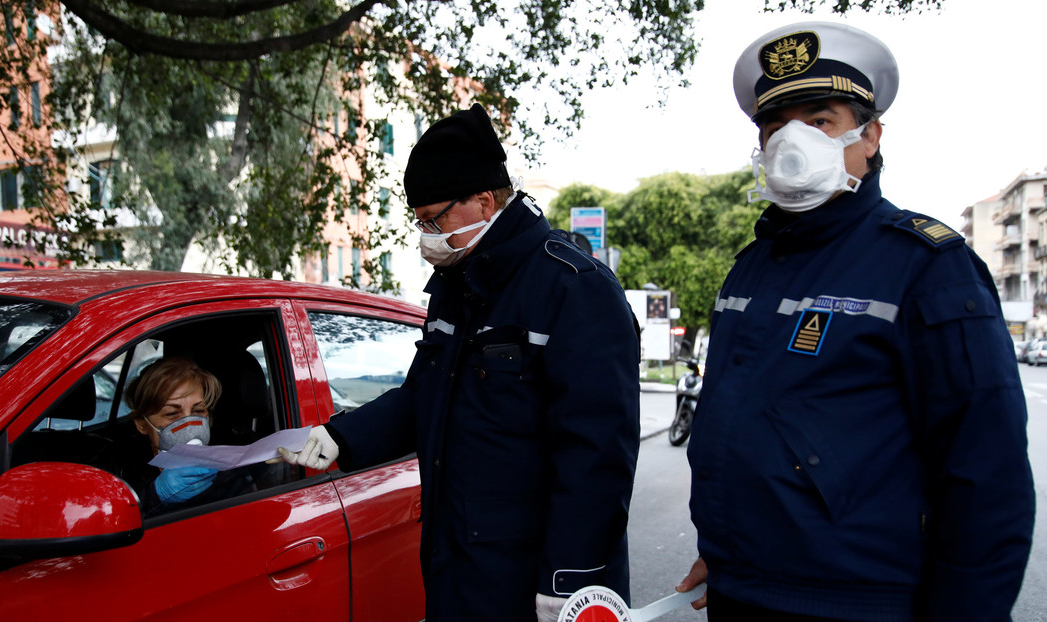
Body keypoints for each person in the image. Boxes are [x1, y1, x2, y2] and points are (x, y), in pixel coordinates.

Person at [675, 21, 1035, 622]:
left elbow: (986, 477)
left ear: (870, 136)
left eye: (819, 121)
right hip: (745, 590)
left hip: (859, 604)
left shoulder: (927, 267)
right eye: (775, 125)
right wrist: (737, 550)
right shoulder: (753, 267)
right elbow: (748, 427)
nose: (792, 142)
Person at [280, 103, 641, 621]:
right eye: (418, 220)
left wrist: (571, 582)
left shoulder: (573, 288)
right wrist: (344, 435)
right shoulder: (458, 284)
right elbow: (424, 394)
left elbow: (597, 457)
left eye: (434, 217)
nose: (426, 233)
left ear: (484, 200)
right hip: (459, 564)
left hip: (536, 580)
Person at [122, 357, 247, 515]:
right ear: (141, 423)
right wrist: (155, 494)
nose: (188, 426)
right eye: (172, 413)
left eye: (198, 411)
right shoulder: (122, 466)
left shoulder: (231, 454)